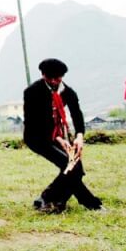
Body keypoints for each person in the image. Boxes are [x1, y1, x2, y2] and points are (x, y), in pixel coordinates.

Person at [23, 58, 103, 213]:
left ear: (62, 76)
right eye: (49, 77)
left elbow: (76, 114)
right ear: (43, 75)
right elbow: (36, 121)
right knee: (71, 165)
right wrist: (59, 139)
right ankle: (91, 203)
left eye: (57, 78)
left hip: (57, 134)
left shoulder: (67, 91)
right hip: (37, 136)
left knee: (75, 168)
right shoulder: (33, 92)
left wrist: (79, 136)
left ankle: (50, 199)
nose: (53, 81)